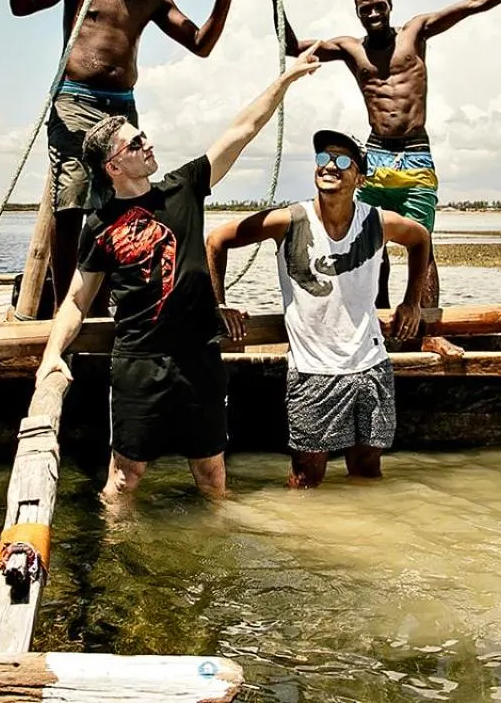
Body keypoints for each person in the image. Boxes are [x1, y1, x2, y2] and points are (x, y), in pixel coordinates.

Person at [33, 45, 325, 503]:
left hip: (199, 361)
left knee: (212, 474)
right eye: (135, 143)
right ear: (114, 166)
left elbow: (242, 130)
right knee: (125, 479)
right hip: (139, 364)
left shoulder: (184, 187)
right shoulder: (101, 224)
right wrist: (52, 354)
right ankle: (119, 561)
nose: (147, 144)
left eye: (142, 136)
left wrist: (285, 81)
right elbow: (75, 300)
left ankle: (217, 557)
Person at [268, 0, 501, 308]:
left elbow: (474, 4)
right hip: (375, 158)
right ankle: (374, 320)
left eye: (379, 6)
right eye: (366, 9)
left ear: (390, 5)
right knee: (369, 243)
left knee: (421, 244)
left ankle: (426, 324)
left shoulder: (416, 31)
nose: (374, 13)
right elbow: (291, 47)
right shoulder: (350, 49)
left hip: (415, 157)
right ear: (358, 13)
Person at [6, 0, 255, 309]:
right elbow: (20, 4)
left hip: (120, 108)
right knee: (71, 202)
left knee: (117, 204)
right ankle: (69, 300)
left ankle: (102, 296)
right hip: (76, 101)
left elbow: (200, 43)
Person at [207, 130, 462, 488]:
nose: (330, 167)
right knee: (306, 474)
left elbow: (420, 238)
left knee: (368, 467)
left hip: (371, 365)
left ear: (360, 177)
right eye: (323, 159)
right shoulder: (290, 220)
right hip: (313, 371)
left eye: (343, 161)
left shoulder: (376, 221)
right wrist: (218, 303)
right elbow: (217, 240)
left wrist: (411, 302)